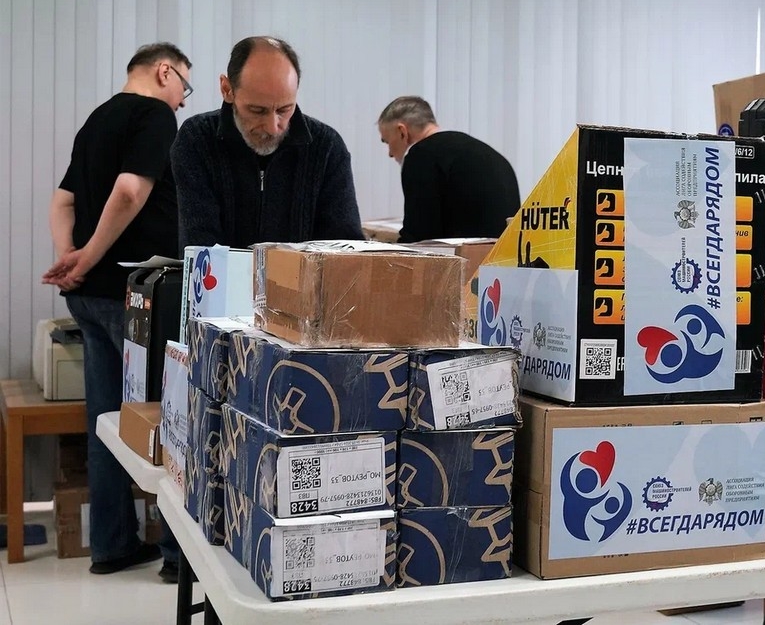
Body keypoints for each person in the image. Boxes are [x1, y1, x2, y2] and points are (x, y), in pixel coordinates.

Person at [42, 42, 192, 579]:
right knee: (167, 420)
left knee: (107, 423)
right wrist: (88, 258)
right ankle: (176, 556)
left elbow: (62, 201)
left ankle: (111, 546)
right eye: (185, 87)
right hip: (136, 294)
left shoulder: (97, 119)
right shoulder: (154, 115)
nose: (182, 101)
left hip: (87, 296)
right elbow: (130, 192)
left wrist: (71, 258)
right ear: (164, 71)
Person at [171, 36, 362, 251]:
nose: (273, 127)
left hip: (304, 275)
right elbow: (200, 246)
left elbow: (345, 248)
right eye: (257, 110)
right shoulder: (198, 139)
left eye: (284, 109)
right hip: (222, 274)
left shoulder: (327, 148)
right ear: (227, 89)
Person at [377, 96, 520, 243]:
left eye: (387, 142)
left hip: (467, 255)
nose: (390, 153)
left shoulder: (421, 156)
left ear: (402, 132)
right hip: (506, 252)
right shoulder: (489, 155)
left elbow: (418, 235)